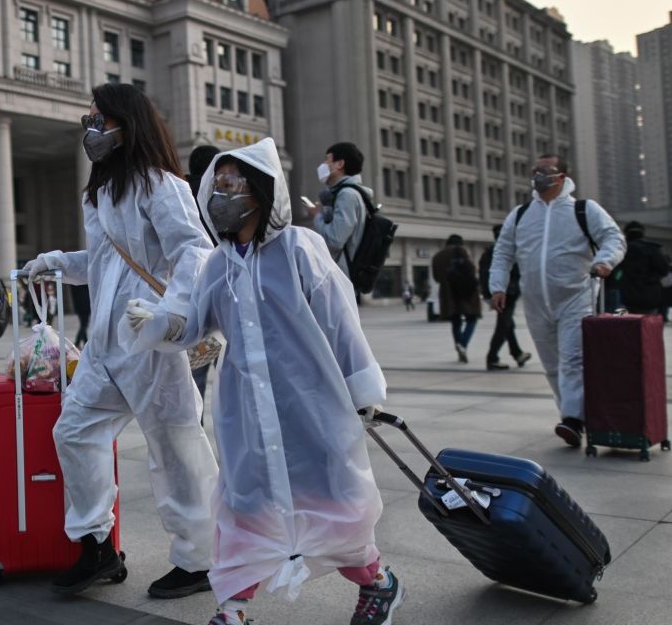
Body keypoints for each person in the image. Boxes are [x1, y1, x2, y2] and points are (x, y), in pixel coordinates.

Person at [125, 139, 403, 625]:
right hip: (247, 411)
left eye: (233, 183)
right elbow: (193, 325)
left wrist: (362, 392)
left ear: (260, 190)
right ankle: (232, 609)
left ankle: (378, 584)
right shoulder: (218, 264)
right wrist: (157, 321)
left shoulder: (301, 248)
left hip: (311, 403)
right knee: (244, 504)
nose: (221, 194)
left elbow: (339, 320)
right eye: (218, 184)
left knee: (332, 506)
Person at [23, 83, 218, 599]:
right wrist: (59, 264)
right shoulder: (103, 192)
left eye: (98, 119)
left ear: (126, 125)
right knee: (75, 431)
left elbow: (193, 254)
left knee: (174, 447)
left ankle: (199, 559)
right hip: (106, 345)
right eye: (88, 120)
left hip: (152, 341)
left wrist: (171, 315)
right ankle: (97, 546)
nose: (90, 129)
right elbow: (104, 264)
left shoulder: (162, 186)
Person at [490, 154, 625, 447]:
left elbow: (614, 238)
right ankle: (572, 415)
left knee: (573, 360)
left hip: (577, 296)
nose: (538, 175)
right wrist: (497, 286)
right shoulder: (521, 214)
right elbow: (503, 253)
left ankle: (573, 420)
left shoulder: (584, 209)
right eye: (534, 170)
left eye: (546, 170)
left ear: (562, 176)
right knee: (552, 365)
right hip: (536, 302)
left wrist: (604, 262)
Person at [309, 142, 370, 292]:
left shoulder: (347, 195)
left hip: (342, 279)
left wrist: (317, 216)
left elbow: (335, 239)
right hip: (342, 277)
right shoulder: (346, 194)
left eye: (327, 160)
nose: (323, 165)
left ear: (340, 164)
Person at [187, 143, 221, 404]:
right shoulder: (219, 195)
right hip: (223, 299)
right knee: (234, 377)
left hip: (193, 303)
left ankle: (193, 437)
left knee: (194, 380)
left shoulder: (180, 194)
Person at [480, 225, 531, 371]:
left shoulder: (488, 252)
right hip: (507, 294)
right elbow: (516, 272)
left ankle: (517, 353)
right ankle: (492, 358)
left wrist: (487, 294)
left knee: (507, 324)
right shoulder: (507, 252)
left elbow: (483, 275)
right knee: (503, 326)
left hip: (497, 293)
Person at [432, 234, 482, 363]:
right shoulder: (460, 251)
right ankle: (463, 344)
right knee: (472, 318)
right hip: (465, 293)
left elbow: (436, 278)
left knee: (456, 321)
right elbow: (472, 269)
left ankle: (459, 345)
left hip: (447, 294)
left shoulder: (437, 257)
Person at [616, 221, 670, 315]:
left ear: (626, 233)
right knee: (648, 327)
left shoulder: (621, 250)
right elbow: (664, 270)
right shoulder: (653, 249)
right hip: (650, 297)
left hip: (626, 298)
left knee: (625, 325)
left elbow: (616, 273)